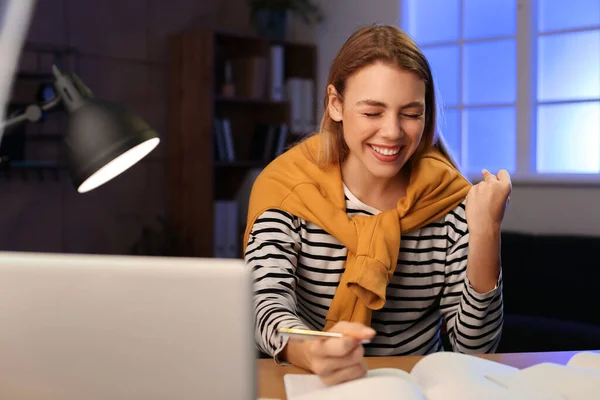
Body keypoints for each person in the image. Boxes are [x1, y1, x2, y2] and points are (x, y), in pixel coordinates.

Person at [243, 24, 510, 386]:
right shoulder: (287, 190)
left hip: (417, 389)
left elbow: (475, 348)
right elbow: (264, 305)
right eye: (372, 112)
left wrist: (487, 234)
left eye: (411, 113)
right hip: (310, 383)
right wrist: (313, 350)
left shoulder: (449, 202)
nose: (392, 132)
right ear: (335, 105)